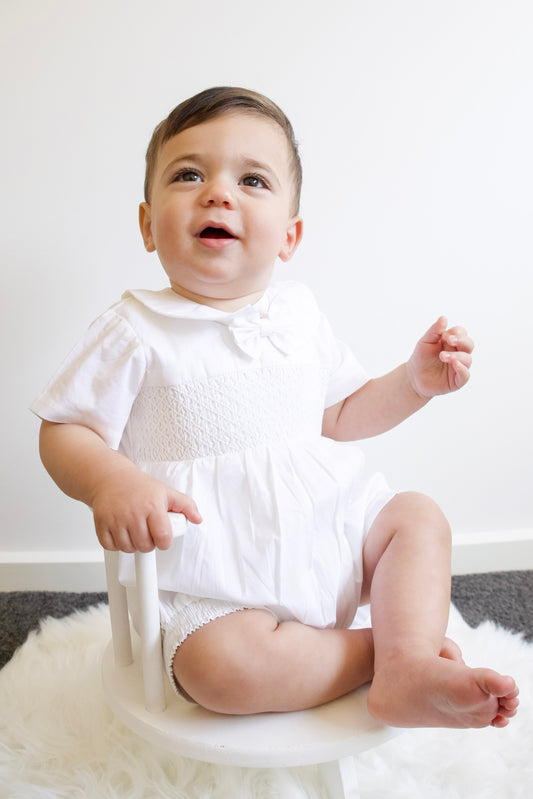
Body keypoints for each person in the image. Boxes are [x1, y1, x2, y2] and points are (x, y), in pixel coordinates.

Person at [32, 86, 519, 728]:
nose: (218, 193)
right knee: (220, 673)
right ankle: (383, 654)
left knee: (419, 518)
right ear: (149, 225)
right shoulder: (135, 330)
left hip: (328, 531)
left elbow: (342, 414)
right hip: (219, 577)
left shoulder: (298, 313)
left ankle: (406, 665)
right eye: (188, 174)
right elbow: (65, 428)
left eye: (252, 179)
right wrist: (111, 480)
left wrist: (413, 382)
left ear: (289, 236)